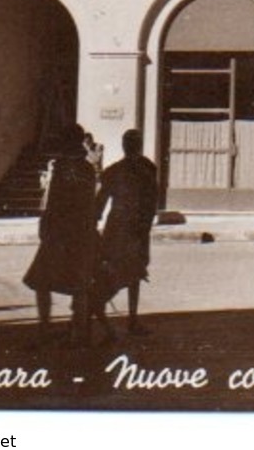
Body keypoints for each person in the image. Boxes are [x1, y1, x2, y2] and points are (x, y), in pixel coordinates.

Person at [23, 124, 100, 345]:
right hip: (82, 232)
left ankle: (45, 327)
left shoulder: (62, 166)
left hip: (60, 233)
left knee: (42, 281)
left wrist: (45, 225)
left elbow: (55, 201)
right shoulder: (87, 168)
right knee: (79, 283)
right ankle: (80, 330)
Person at [94, 129, 158, 337]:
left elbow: (99, 205)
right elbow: (151, 204)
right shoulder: (149, 169)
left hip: (116, 228)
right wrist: (146, 228)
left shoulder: (112, 171)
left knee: (116, 269)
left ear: (124, 146)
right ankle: (130, 318)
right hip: (137, 228)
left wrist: (93, 225)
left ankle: (98, 304)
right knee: (135, 273)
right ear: (139, 145)